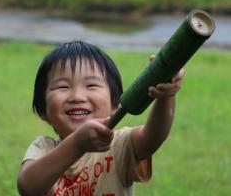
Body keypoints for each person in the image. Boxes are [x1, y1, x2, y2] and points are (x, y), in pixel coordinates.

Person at [17, 40, 185, 196]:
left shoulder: (119, 145)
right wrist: (77, 144)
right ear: (42, 110)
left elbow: (153, 137)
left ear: (115, 102)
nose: (77, 96)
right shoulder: (43, 149)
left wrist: (165, 97)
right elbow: (28, 187)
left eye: (91, 85)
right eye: (63, 87)